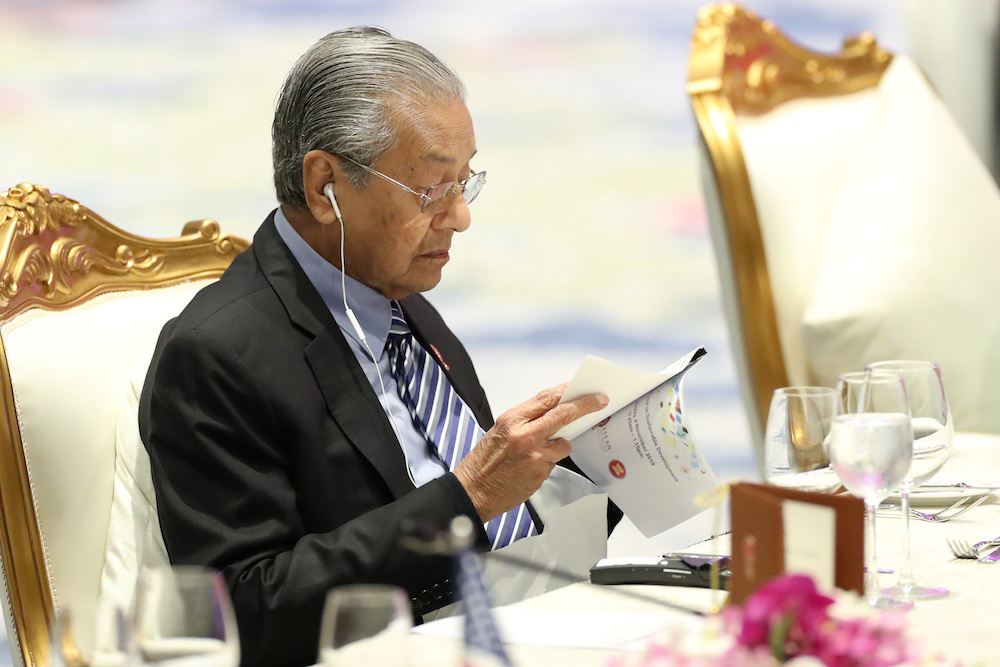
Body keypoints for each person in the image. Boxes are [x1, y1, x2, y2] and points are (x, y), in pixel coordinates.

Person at [139, 26, 610, 667]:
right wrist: (466, 497)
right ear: (325, 184)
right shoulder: (215, 354)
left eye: (465, 183)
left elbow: (478, 505)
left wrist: (593, 462)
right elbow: (245, 611)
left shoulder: (400, 297)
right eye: (432, 189)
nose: (460, 216)